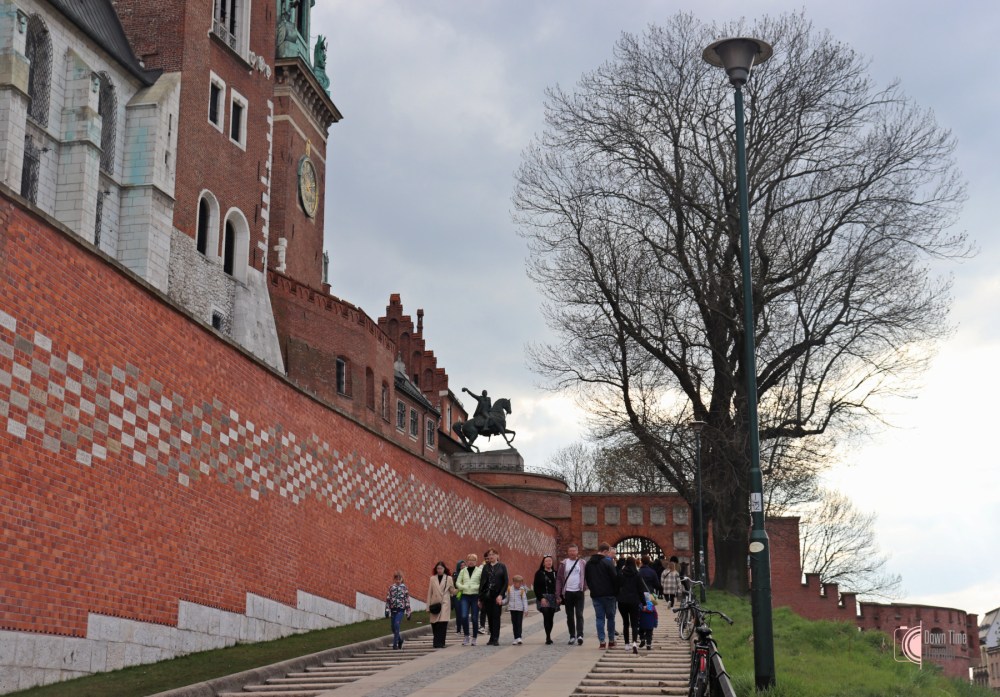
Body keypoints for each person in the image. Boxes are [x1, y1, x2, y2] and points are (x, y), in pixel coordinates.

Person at [584, 542, 619, 649]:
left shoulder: (589, 563)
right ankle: (611, 641)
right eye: (608, 552)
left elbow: (588, 579)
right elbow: (615, 579)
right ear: (604, 551)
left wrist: (593, 590)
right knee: (611, 618)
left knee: (599, 618)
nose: (609, 554)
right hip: (609, 595)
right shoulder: (607, 563)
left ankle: (602, 642)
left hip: (596, 595)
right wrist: (616, 592)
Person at [556, 543, 587, 645]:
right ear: (568, 552)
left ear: (577, 552)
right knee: (569, 615)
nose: (572, 553)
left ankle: (580, 635)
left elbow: (586, 576)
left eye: (574, 551)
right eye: (570, 551)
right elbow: (559, 579)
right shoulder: (564, 563)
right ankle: (572, 635)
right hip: (568, 592)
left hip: (579, 592)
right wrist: (558, 594)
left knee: (579, 614)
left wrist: (584, 587)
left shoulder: (582, 563)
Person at [478, 548, 509, 646]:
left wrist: (501, 595)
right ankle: (491, 637)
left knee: (496, 616)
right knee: (490, 616)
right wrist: (480, 598)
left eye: (492, 554)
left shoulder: (502, 566)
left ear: (497, 556)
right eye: (489, 555)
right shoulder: (485, 567)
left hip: (497, 595)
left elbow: (505, 582)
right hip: (488, 595)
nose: (491, 556)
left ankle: (496, 638)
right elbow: (482, 583)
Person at [617, 557, 643, 654]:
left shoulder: (621, 573)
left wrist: (617, 597)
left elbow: (617, 586)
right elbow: (640, 590)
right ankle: (635, 643)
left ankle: (626, 644)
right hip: (634, 601)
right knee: (634, 624)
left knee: (625, 623)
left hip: (622, 601)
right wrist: (644, 603)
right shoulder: (637, 574)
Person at [427, 561, 456, 648]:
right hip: (435, 604)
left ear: (444, 569)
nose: (439, 570)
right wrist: (428, 606)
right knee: (434, 624)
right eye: (438, 568)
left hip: (444, 604)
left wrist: (460, 590)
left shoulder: (449, 578)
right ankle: (436, 642)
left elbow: (452, 591)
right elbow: (429, 592)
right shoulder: (432, 579)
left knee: (442, 624)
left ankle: (441, 643)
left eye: (441, 568)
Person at [455, 553, 482, 646]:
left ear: (476, 561)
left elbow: (482, 583)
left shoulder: (479, 571)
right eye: (469, 560)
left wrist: (474, 587)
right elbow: (457, 582)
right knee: (463, 616)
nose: (471, 562)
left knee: (474, 617)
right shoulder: (463, 571)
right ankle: (466, 635)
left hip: (475, 596)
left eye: (473, 560)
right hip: (465, 596)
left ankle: (474, 637)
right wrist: (463, 587)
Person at [533, 555, 559, 644]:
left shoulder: (555, 573)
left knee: (551, 617)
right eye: (547, 561)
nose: (549, 562)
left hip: (553, 597)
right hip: (543, 597)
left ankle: (549, 634)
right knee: (546, 614)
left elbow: (559, 586)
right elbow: (536, 587)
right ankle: (547, 637)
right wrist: (541, 598)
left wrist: (559, 597)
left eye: (550, 561)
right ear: (543, 563)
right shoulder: (539, 573)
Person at [384, 570, 411, 650]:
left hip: (401, 609)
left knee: (397, 624)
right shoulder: (391, 588)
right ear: (394, 579)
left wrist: (408, 612)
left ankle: (395, 644)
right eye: (396, 579)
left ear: (402, 579)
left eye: (399, 579)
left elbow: (407, 600)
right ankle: (400, 640)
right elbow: (388, 599)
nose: (398, 581)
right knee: (393, 627)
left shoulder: (404, 588)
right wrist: (387, 610)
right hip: (393, 609)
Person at [507, 575, 529, 644]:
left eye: (520, 583)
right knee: (514, 623)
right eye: (518, 583)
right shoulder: (509, 589)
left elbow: (524, 600)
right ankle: (515, 638)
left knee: (519, 623)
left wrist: (526, 609)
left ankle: (519, 637)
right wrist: (501, 601)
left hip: (520, 609)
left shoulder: (522, 590)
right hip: (512, 609)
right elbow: (507, 599)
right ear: (514, 582)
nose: (519, 585)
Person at [453, 559, 466, 635]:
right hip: (458, 595)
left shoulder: (468, 574)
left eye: (464, 565)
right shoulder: (455, 574)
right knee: (458, 613)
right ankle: (458, 629)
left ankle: (465, 630)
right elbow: (455, 584)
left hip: (465, 595)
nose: (463, 567)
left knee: (464, 613)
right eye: (461, 565)